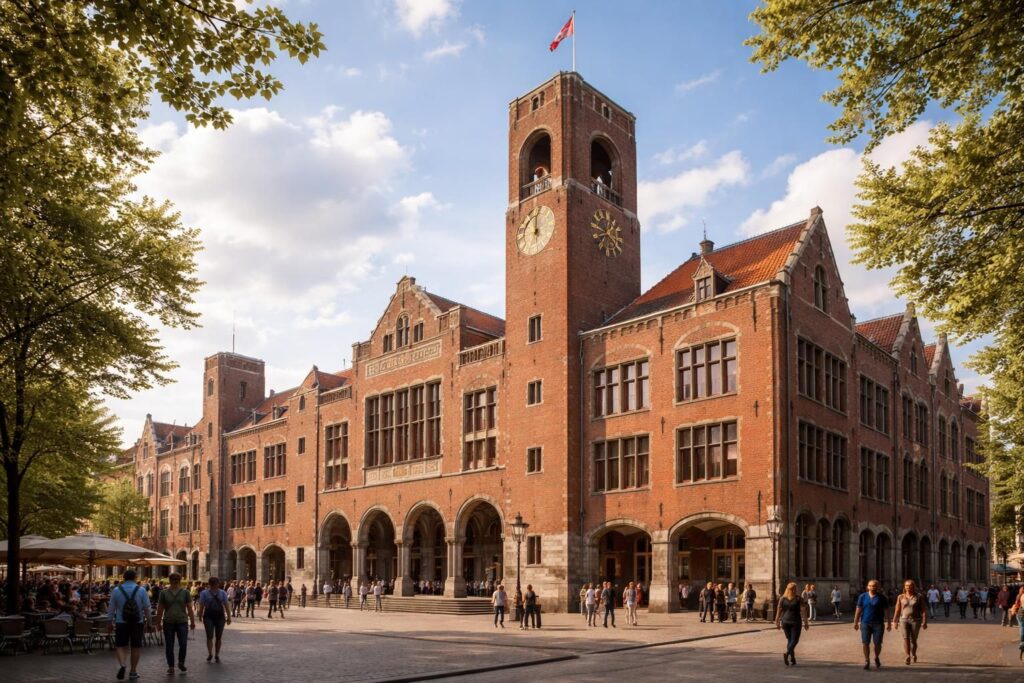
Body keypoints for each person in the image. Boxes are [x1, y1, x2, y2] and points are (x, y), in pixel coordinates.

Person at [107, 569, 152, 681]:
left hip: (121, 622)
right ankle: (133, 671)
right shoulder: (141, 590)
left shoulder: (116, 590)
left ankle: (122, 664)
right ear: (135, 577)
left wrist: (109, 622)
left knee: (120, 645)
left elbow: (111, 608)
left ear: (123, 577)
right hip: (137, 622)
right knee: (135, 647)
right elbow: (147, 608)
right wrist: (149, 623)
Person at [155, 572, 196, 676]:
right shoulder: (164, 593)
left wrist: (192, 621)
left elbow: (189, 608)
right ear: (170, 580)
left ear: (180, 580)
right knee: (169, 644)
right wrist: (158, 623)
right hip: (168, 621)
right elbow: (160, 609)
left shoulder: (185, 592)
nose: (176, 581)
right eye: (173, 579)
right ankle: (171, 666)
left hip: (182, 621)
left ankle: (181, 662)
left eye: (177, 579)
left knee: (183, 643)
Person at [854, 579, 891, 670]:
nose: (872, 587)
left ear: (878, 587)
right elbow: (858, 610)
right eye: (870, 586)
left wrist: (889, 623)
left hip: (878, 623)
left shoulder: (882, 597)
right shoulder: (862, 596)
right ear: (867, 587)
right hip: (865, 623)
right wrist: (855, 622)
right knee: (865, 643)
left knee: (877, 643)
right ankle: (867, 660)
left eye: (874, 586)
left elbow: (886, 611)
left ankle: (876, 657)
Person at [892, 579, 927, 665]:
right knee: (906, 638)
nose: (908, 587)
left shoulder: (919, 596)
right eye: (907, 586)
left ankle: (913, 654)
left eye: (910, 586)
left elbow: (924, 610)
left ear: (914, 587)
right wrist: (894, 621)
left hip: (916, 620)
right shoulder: (900, 597)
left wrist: (924, 621)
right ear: (904, 587)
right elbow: (897, 609)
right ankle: (907, 655)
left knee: (913, 640)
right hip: (903, 620)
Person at [198, 577, 231, 663]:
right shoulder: (204, 593)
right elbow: (201, 605)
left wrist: (229, 617)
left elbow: (226, 605)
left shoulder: (223, 593)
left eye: (215, 583)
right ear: (210, 584)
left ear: (218, 584)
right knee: (209, 636)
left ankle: (217, 654)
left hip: (220, 617)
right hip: (208, 617)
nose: (214, 585)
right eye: (213, 584)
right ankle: (210, 654)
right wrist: (200, 615)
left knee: (218, 637)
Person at [775, 582, 809, 666]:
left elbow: (779, 610)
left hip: (785, 621)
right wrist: (806, 622)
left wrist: (777, 621)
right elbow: (803, 611)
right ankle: (787, 653)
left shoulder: (782, 599)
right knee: (795, 640)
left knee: (790, 640)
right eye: (795, 589)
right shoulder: (798, 599)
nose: (795, 590)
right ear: (794, 589)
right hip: (795, 621)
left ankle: (793, 659)